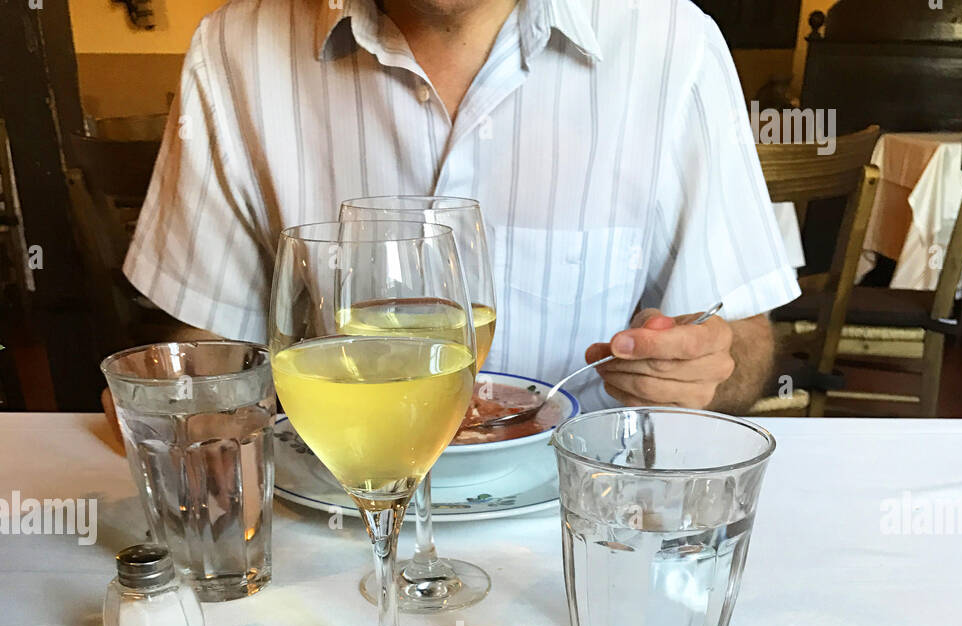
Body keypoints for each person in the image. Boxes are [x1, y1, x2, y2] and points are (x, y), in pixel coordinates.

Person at [123, 0, 800, 414]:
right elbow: (215, 339)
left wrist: (701, 367)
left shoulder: (674, 46)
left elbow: (742, 342)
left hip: (584, 520)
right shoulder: (233, 52)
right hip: (332, 513)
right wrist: (189, 401)